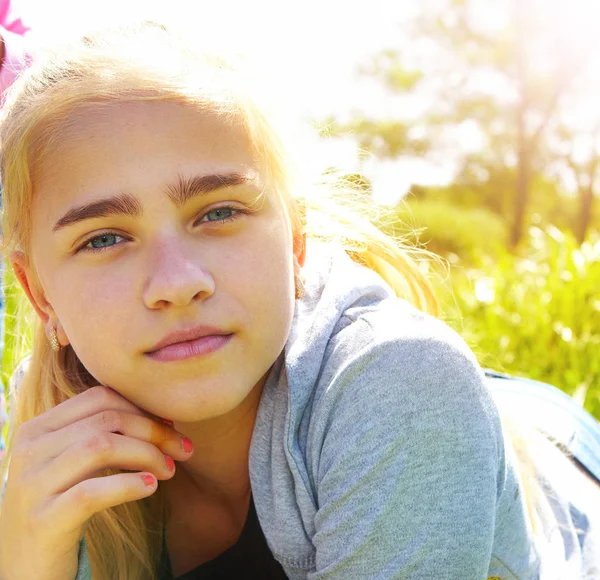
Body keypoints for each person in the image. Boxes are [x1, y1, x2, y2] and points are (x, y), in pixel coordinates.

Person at [0, 22, 599, 580]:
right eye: (103, 238)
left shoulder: (404, 386)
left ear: (296, 240)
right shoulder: (47, 432)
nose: (177, 283)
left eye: (219, 212)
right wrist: (23, 558)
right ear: (40, 295)